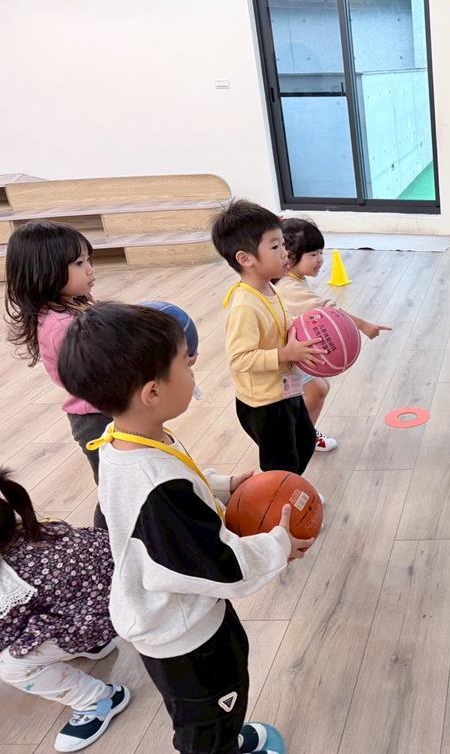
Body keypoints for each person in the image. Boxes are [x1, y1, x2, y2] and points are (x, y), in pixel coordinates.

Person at [58, 302, 309, 754]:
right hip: (183, 637)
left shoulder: (123, 439)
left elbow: (176, 480)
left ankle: (226, 734)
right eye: (185, 364)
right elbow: (222, 565)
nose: (194, 369)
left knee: (223, 699)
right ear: (153, 392)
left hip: (180, 611)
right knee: (206, 719)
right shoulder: (156, 487)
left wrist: (224, 486)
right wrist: (279, 544)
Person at [0, 468, 129, 752]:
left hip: (100, 615)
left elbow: (6, 635)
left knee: (12, 666)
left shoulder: (8, 577)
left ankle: (98, 700)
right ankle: (94, 645)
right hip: (112, 590)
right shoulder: (29, 529)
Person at [3, 221, 110, 528]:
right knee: (115, 490)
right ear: (45, 271)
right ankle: (103, 543)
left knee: (120, 484)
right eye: (78, 263)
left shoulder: (72, 308)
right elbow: (95, 373)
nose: (89, 270)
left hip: (102, 410)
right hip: (96, 418)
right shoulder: (61, 325)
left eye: (88, 260)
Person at [212, 200, 324, 474]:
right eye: (275, 247)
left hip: (285, 390)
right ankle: (281, 495)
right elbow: (240, 359)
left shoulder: (270, 289)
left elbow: (280, 325)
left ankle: (291, 488)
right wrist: (285, 354)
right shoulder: (245, 306)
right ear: (245, 259)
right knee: (281, 465)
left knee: (305, 442)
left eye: (283, 244)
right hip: (264, 404)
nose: (285, 252)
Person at [276, 217, 391, 453]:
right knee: (316, 390)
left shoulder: (292, 280)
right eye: (313, 254)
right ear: (290, 256)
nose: (320, 259)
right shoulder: (289, 286)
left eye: (320, 252)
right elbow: (329, 313)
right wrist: (363, 325)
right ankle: (300, 439)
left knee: (318, 389)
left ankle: (301, 434)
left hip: (290, 354)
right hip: (284, 357)